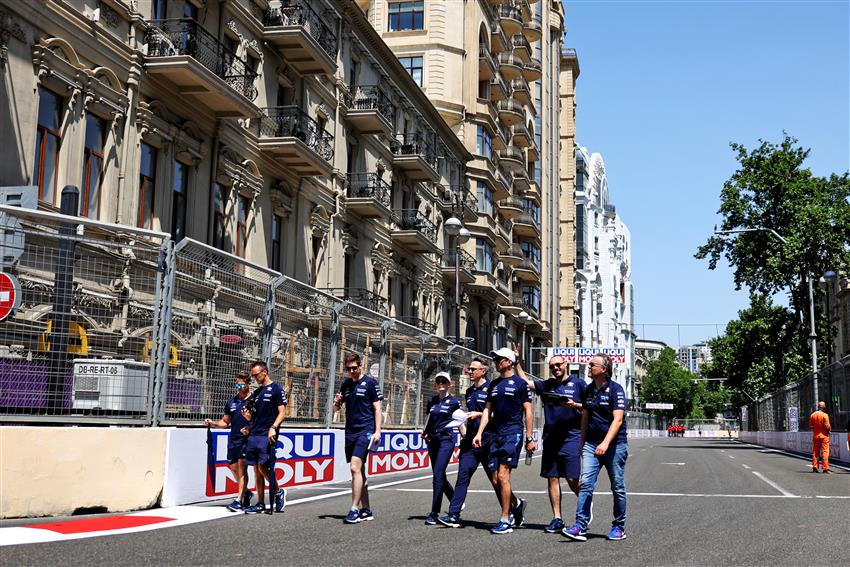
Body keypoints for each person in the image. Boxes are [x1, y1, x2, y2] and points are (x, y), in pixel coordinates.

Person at [438, 357, 523, 528]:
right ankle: (454, 514)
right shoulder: (469, 392)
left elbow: (497, 415)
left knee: (497, 480)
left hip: (490, 440)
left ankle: (514, 508)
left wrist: (479, 415)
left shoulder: (493, 388)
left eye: (473, 369)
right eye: (469, 369)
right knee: (463, 475)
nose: (469, 371)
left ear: (483, 371)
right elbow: (468, 416)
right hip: (471, 441)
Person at [515, 352, 587, 534]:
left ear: (566, 364)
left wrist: (575, 405)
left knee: (572, 478)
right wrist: (517, 361)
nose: (555, 368)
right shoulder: (546, 385)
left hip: (572, 436)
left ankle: (585, 506)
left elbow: (589, 407)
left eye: (558, 365)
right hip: (551, 438)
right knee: (552, 477)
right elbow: (525, 382)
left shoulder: (579, 384)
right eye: (552, 366)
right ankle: (557, 519)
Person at [563, 353, 628, 542]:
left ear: (604, 369)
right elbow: (585, 416)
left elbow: (618, 419)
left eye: (592, 364)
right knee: (585, 485)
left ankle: (619, 526)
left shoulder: (616, 390)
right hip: (592, 444)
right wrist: (582, 444)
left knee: (617, 486)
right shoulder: (588, 390)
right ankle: (580, 525)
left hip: (614, 445)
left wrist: (605, 443)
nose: (589, 366)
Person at [472, 347, 535, 535]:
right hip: (495, 435)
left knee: (502, 476)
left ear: (508, 361)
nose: (496, 362)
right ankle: (517, 503)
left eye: (499, 359)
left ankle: (505, 519)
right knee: (495, 479)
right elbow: (486, 411)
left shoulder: (519, 384)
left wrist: (529, 437)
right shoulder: (494, 384)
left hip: (512, 433)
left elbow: (529, 411)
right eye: (495, 359)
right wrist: (479, 433)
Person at [333, 352, 383, 523]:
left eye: (355, 368)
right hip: (350, 432)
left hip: (366, 430)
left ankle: (354, 509)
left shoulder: (370, 383)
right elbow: (336, 409)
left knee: (354, 467)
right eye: (349, 369)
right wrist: (337, 402)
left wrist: (378, 431)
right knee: (360, 471)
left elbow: (377, 409)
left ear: (360, 366)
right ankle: (367, 509)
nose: (352, 371)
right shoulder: (346, 384)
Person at [241, 360, 287, 514]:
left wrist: (274, 427)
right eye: (253, 375)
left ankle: (278, 491)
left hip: (267, 435)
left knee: (262, 467)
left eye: (256, 375)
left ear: (265, 372)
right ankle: (260, 503)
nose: (254, 378)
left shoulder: (276, 389)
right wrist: (248, 421)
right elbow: (253, 416)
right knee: (255, 469)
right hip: (254, 434)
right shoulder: (257, 393)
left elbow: (282, 412)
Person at [205, 371, 253, 512]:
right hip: (233, 440)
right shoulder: (231, 402)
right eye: (237, 384)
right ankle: (247, 492)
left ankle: (239, 500)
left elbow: (260, 420)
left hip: (247, 439)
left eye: (242, 384)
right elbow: (225, 422)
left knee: (242, 467)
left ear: (248, 384)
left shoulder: (254, 400)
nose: (239, 387)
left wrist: (250, 427)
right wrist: (213, 423)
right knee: (233, 467)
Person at [422, 371, 461, 525]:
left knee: (437, 474)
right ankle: (455, 500)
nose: (441, 384)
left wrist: (467, 439)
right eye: (438, 382)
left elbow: (461, 422)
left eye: (444, 381)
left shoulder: (454, 402)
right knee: (439, 475)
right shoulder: (431, 401)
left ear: (449, 384)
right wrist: (425, 433)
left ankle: (434, 512)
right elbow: (428, 420)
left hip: (446, 439)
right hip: (432, 440)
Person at [809, 401, 831, 474]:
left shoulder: (812, 415)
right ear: (823, 407)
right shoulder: (825, 415)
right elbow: (828, 426)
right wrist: (828, 429)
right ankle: (825, 468)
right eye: (824, 405)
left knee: (815, 452)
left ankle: (815, 467)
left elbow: (811, 426)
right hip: (824, 436)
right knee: (825, 452)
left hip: (816, 436)